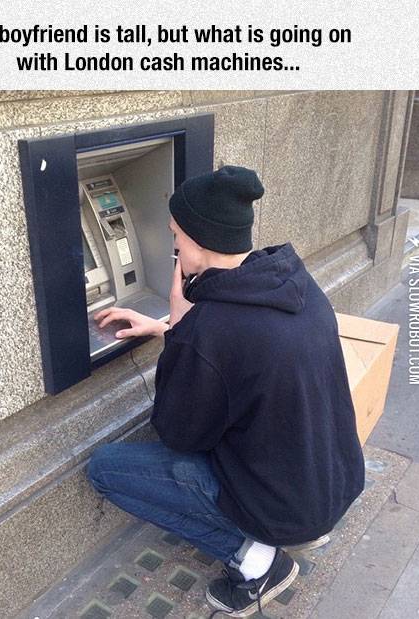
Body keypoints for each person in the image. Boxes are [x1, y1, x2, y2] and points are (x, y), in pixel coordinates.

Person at [87, 165, 365, 617]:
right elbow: (247, 351)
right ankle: (291, 529)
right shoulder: (292, 283)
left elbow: (178, 434)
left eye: (177, 236)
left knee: (105, 470)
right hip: (334, 480)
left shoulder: (211, 328)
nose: (174, 247)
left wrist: (181, 331)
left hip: (287, 507)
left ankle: (256, 562)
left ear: (199, 241)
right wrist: (169, 328)